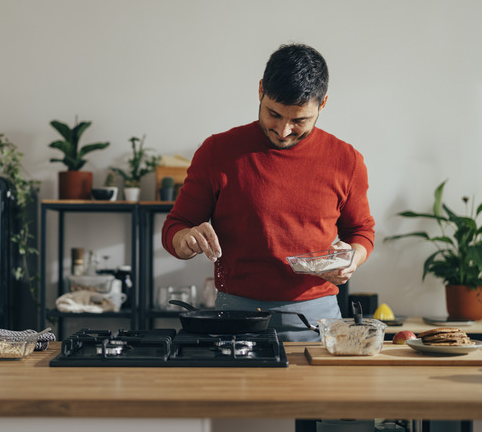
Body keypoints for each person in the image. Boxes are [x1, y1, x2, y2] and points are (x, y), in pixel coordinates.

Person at [161, 43, 376, 341]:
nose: (283, 130)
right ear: (261, 89)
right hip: (235, 316)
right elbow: (176, 226)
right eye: (273, 114)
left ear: (322, 104)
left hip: (317, 317)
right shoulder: (217, 151)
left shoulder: (347, 160)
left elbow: (361, 231)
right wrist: (186, 239)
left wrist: (354, 257)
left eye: (300, 120)